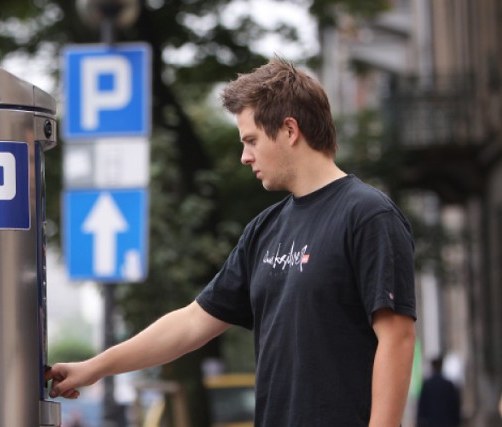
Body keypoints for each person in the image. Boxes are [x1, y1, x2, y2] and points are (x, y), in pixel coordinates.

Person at [46, 58, 417, 427]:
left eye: (251, 140)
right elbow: (192, 323)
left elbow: (397, 338)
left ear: (289, 130)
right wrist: (94, 368)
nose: (245, 156)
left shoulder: (368, 216)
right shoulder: (264, 230)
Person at [416, 356, 461, 427]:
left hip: (431, 423)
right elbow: (455, 405)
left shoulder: (427, 385)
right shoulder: (449, 385)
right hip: (447, 423)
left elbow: (422, 407)